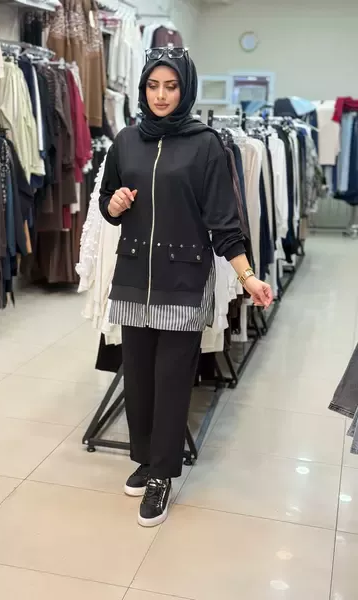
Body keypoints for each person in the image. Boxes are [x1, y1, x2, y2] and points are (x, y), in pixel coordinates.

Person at [99, 47, 273, 528]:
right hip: (134, 277)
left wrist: (248, 276)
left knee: (173, 381)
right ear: (143, 89)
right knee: (137, 377)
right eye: (153, 86)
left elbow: (225, 223)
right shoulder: (126, 141)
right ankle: (144, 458)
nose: (161, 95)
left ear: (186, 89)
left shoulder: (206, 145)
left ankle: (162, 474)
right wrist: (114, 205)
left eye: (171, 86)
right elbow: (106, 201)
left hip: (183, 279)